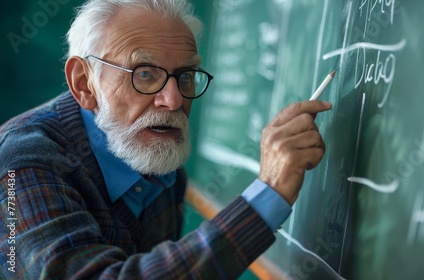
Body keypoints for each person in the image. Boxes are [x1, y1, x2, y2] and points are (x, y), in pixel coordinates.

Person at [0, 0, 332, 278]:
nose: (173, 101)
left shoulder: (155, 149)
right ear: (85, 84)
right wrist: (269, 193)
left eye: (185, 76)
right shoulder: (22, 164)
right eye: (144, 73)